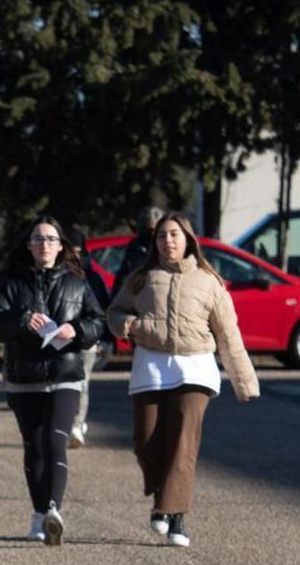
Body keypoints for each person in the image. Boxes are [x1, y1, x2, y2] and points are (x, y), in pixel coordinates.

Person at [107, 213, 259, 547]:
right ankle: (161, 500)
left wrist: (243, 381)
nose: (168, 241)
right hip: (151, 366)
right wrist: (130, 326)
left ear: (188, 239)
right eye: (162, 236)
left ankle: (175, 518)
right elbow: (114, 312)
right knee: (146, 443)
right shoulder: (141, 278)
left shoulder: (208, 281)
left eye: (174, 234)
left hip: (196, 369)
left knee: (182, 444)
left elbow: (228, 334)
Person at [0, 216, 106, 546]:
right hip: (24, 376)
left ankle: (54, 511)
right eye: (38, 239)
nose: (44, 245)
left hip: (65, 375)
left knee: (55, 441)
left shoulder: (77, 283)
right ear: (28, 245)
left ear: (62, 245)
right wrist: (22, 320)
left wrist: (76, 330)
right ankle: (38, 513)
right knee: (33, 447)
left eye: (51, 239)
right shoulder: (11, 282)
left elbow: (97, 322)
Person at [66, 227, 113, 448]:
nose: (74, 256)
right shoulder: (56, 277)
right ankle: (63, 425)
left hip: (87, 340)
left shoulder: (93, 278)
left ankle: (76, 425)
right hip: (59, 340)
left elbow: (104, 310)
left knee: (81, 383)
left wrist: (105, 340)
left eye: (77, 251)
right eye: (69, 251)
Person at [111, 205, 166, 298]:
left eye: (158, 231)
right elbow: (120, 285)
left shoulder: (169, 250)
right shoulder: (134, 251)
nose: (153, 235)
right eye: (150, 231)